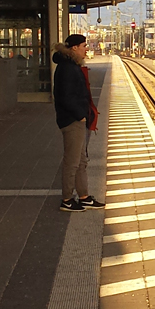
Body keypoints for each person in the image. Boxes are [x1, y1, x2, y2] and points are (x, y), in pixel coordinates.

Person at [53, 34, 104, 212]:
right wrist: (80, 115)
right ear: (74, 48)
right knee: (72, 161)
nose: (86, 48)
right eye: (84, 45)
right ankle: (67, 199)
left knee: (81, 160)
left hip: (76, 119)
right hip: (71, 120)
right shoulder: (67, 68)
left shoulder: (70, 66)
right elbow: (65, 97)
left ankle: (84, 196)